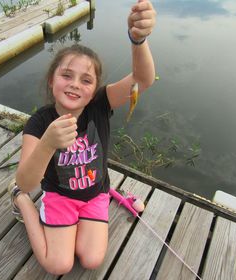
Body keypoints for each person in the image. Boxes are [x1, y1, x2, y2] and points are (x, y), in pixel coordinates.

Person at [9, 0, 156, 275]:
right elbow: (27, 181)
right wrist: (48, 144)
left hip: (95, 196)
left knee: (91, 260)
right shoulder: (40, 122)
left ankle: (82, 217)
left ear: (94, 90)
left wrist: (139, 40)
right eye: (67, 75)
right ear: (52, 81)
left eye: (86, 80)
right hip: (60, 197)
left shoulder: (100, 105)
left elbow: (144, 79)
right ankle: (21, 203)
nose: (76, 83)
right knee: (58, 264)